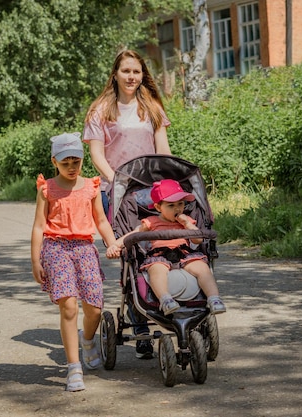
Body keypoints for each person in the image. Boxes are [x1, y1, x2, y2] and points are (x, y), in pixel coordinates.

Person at [83, 49, 171, 359]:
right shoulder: (101, 110)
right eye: (125, 71)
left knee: (161, 248)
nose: (131, 76)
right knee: (131, 254)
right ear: (115, 74)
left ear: (142, 74)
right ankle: (140, 326)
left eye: (136, 71)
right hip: (118, 192)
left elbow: (163, 151)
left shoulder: (152, 108)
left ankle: (163, 305)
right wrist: (118, 181)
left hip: (152, 194)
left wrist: (171, 183)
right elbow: (96, 154)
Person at [31, 132, 118, 392]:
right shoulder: (47, 189)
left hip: (84, 247)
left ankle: (88, 340)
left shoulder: (91, 187)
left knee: (94, 307)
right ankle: (73, 367)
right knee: (68, 306)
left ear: (82, 161)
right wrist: (35, 260)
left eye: (76, 162)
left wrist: (112, 242)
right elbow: (38, 226)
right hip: (55, 247)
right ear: (54, 162)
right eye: (65, 162)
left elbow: (101, 221)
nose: (71, 167)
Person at [107, 179, 227, 315]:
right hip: (160, 255)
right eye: (171, 205)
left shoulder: (187, 221)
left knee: (203, 268)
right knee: (156, 271)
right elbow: (134, 234)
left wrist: (187, 224)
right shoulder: (151, 222)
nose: (177, 209)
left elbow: (198, 239)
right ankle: (165, 299)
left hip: (185, 254)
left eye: (181, 204)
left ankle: (214, 298)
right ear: (158, 208)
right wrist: (116, 245)